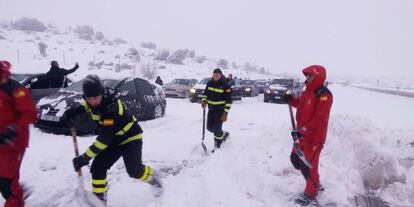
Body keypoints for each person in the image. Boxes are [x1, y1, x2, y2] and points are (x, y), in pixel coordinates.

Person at [62, 75, 162, 203]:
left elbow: (104, 139)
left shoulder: (111, 109)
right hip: (114, 139)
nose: (92, 101)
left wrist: (85, 157)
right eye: (89, 98)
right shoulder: (95, 99)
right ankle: (99, 200)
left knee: (134, 170)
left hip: (130, 138)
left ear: (102, 94)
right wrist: (71, 113)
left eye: (95, 98)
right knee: (98, 168)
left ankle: (154, 177)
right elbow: (87, 106)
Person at [283, 65, 333, 205]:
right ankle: (314, 180)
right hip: (301, 135)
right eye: (307, 75)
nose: (308, 77)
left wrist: (302, 130)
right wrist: (290, 99)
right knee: (295, 159)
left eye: (311, 75)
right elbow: (300, 104)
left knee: (307, 166)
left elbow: (320, 118)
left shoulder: (324, 94)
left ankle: (311, 192)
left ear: (317, 76)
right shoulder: (308, 91)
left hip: (314, 138)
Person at [0, 60, 37, 207]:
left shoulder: (15, 90)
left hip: (13, 143)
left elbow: (31, 113)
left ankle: (16, 200)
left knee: (7, 183)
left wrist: (13, 128)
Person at [201, 68, 232, 149]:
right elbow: (205, 94)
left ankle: (217, 146)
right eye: (214, 75)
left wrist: (225, 113)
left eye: (217, 76)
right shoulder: (210, 83)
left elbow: (229, 101)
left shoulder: (226, 86)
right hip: (211, 109)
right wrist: (204, 100)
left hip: (220, 111)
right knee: (209, 128)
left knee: (217, 130)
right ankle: (223, 134)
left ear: (220, 75)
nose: (215, 77)